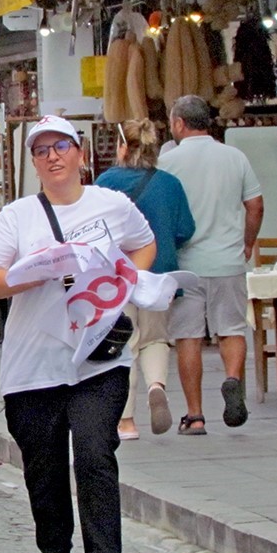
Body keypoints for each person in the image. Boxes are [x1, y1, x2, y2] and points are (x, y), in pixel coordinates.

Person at [0, 115, 155, 553]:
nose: (52, 157)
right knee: (45, 468)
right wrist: (35, 272)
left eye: (60, 147)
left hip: (98, 359)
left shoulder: (111, 205)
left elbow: (144, 244)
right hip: (32, 368)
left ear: (79, 153)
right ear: (33, 162)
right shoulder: (18, 216)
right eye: (41, 151)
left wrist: (124, 283)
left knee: (96, 454)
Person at [158, 95, 264, 435]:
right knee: (232, 328)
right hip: (228, 259)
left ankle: (195, 415)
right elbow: (256, 204)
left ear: (178, 124)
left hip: (186, 263)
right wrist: (247, 241)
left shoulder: (168, 162)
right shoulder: (234, 156)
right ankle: (233, 379)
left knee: (188, 336)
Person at [96, 119, 195, 439]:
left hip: (118, 277)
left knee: (125, 345)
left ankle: (126, 422)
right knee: (155, 338)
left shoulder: (106, 183)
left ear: (123, 147)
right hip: (159, 274)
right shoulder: (170, 184)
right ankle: (157, 385)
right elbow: (185, 230)